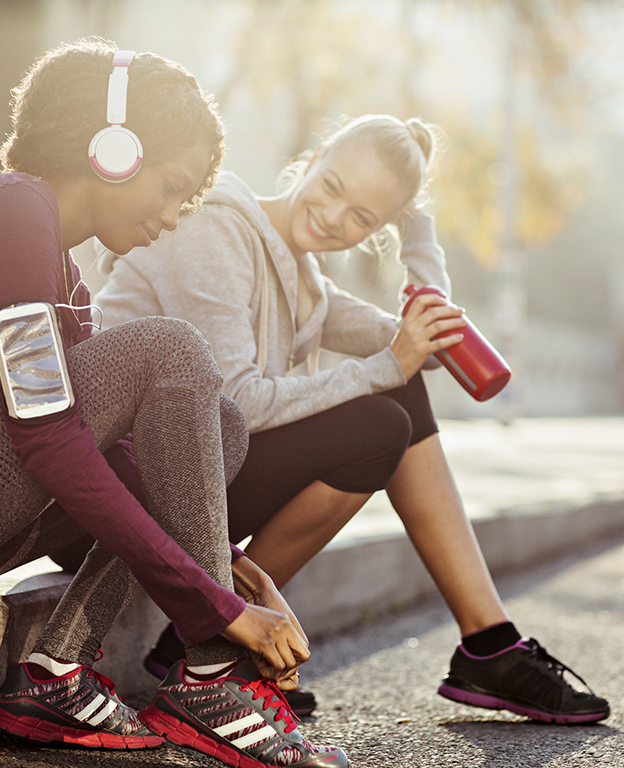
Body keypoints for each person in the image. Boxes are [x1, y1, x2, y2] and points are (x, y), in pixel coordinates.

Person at [0, 38, 350, 768]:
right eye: (174, 185)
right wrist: (216, 612)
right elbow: (47, 440)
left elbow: (119, 462)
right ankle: (211, 676)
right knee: (170, 348)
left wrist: (233, 569)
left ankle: (54, 673)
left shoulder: (63, 275)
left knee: (218, 426)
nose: (177, 214)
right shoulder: (2, 215)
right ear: (112, 151)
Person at [93, 113, 610, 725]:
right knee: (379, 421)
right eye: (333, 186)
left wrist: (418, 234)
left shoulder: (306, 283)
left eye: (364, 217)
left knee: (401, 392)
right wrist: (389, 363)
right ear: (311, 159)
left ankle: (488, 641)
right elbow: (236, 400)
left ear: (379, 229)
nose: (336, 218)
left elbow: (425, 346)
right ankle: (201, 638)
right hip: (114, 493)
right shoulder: (215, 226)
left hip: (189, 484)